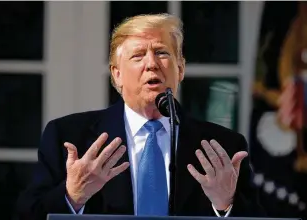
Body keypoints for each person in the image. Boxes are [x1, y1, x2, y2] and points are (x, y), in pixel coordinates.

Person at [17, 13, 265, 220]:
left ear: (180, 70)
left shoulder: (223, 146)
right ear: (117, 75)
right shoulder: (69, 137)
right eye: (138, 56)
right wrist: (72, 195)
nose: (152, 64)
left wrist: (226, 205)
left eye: (162, 53)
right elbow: (27, 216)